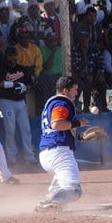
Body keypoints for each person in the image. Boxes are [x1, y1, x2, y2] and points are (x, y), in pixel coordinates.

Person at [34, 76, 90, 212]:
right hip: (59, 153)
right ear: (65, 90)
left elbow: (62, 128)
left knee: (60, 186)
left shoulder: (53, 104)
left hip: (49, 152)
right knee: (74, 190)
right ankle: (47, 202)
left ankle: (53, 198)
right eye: (75, 90)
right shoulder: (61, 103)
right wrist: (78, 123)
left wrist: (80, 137)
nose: (76, 93)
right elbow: (57, 124)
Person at [0, 46, 38, 165]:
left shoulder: (22, 69)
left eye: (14, 55)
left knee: (26, 129)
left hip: (21, 102)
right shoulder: (2, 68)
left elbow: (30, 84)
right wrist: (13, 84)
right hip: (7, 102)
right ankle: (11, 157)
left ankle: (29, 156)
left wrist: (24, 87)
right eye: (10, 55)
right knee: (10, 130)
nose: (12, 58)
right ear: (6, 56)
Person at [72, 30, 108, 113]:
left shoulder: (94, 49)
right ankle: (86, 108)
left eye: (86, 38)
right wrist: (85, 74)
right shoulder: (75, 49)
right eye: (82, 38)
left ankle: (103, 107)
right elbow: (76, 64)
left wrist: (100, 73)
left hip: (94, 74)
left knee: (102, 82)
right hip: (80, 76)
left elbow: (101, 62)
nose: (84, 40)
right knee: (86, 83)